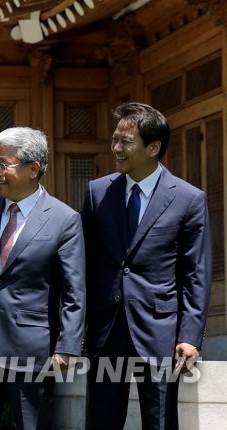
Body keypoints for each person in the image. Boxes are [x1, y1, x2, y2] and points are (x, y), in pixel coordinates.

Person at [82, 102, 211, 430]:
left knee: (160, 422)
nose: (116, 148)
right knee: (101, 421)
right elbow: (85, 264)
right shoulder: (97, 192)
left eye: (125, 142)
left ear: (153, 148)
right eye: (114, 139)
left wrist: (191, 336)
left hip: (160, 332)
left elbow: (196, 273)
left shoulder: (188, 198)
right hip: (106, 331)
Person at [0, 127, 85, 430]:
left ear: (33, 169)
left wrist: (68, 345)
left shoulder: (64, 219)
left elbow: (74, 290)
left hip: (31, 349)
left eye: (3, 164)